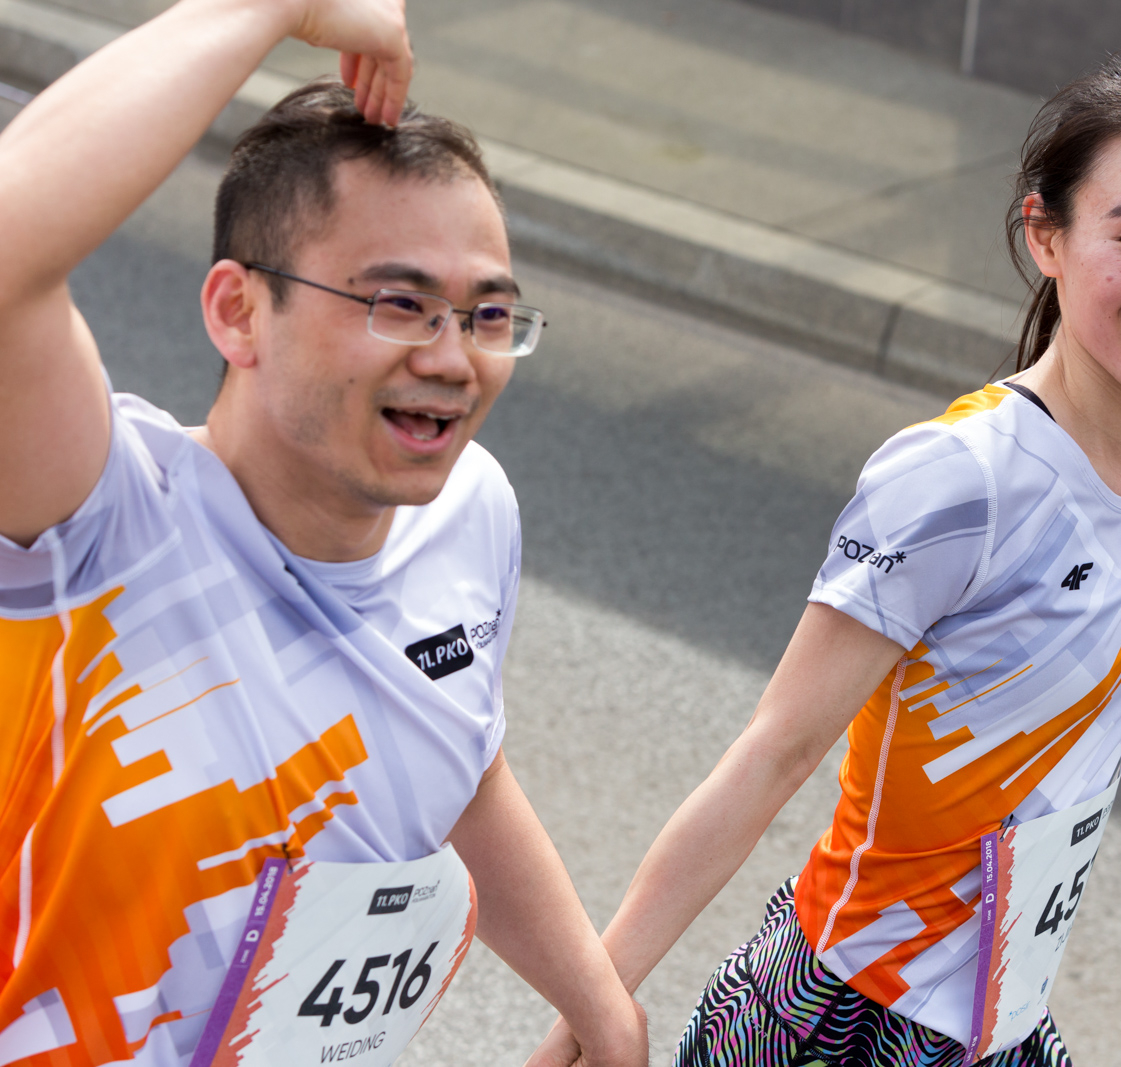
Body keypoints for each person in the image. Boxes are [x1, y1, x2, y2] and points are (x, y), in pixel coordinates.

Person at [533, 49, 1121, 1067]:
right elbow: (771, 754)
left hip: (996, 1022)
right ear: (1046, 235)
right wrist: (592, 1005)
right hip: (850, 1022)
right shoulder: (959, 479)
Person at [0, 1, 645, 1064]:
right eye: (399, 302)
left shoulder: (469, 508)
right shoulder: (100, 521)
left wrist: (601, 1003)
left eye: (489, 314)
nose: (454, 356)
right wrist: (270, 7)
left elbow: (452, 747)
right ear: (238, 312)